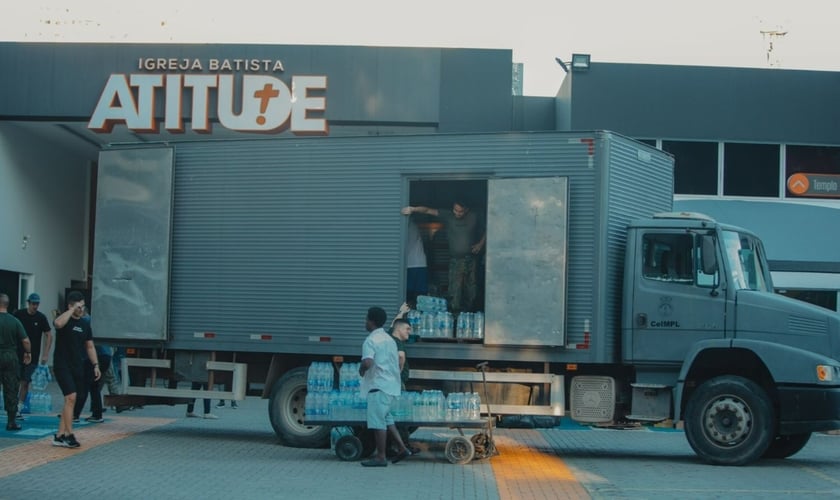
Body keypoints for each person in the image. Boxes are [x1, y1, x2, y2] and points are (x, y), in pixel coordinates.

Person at [401, 201, 486, 313]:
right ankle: (454, 315)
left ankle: (469, 313)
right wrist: (413, 209)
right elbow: (428, 210)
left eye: (460, 211)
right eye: (455, 210)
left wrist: (480, 244)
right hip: (456, 260)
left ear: (466, 210)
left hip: (471, 259)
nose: (457, 213)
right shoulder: (448, 215)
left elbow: (490, 225)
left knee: (472, 290)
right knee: (454, 290)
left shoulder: (474, 216)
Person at [358, 306, 412, 467]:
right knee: (387, 419)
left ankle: (381, 457)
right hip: (390, 385)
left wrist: (361, 370)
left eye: (366, 319)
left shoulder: (371, 340)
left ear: (371, 322)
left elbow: (367, 362)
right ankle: (402, 449)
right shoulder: (389, 339)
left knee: (377, 422)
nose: (365, 322)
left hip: (378, 385)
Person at [53, 291, 100, 448]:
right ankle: (69, 434)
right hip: (62, 365)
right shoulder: (64, 320)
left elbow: (90, 346)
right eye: (78, 306)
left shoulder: (85, 324)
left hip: (77, 365)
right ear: (71, 306)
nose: (81, 309)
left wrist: (96, 365)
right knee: (71, 397)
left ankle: (59, 436)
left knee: (71, 400)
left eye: (82, 306)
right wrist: (71, 311)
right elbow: (57, 324)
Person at [12, 292, 52, 420]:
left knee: (25, 382)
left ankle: (19, 407)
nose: (35, 306)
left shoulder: (41, 318)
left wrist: (45, 353)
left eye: (37, 304)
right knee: (14, 381)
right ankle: (11, 406)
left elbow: (49, 334)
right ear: (28, 303)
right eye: (33, 304)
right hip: (18, 353)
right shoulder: (19, 314)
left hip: (33, 355)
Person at [0, 293, 31, 431]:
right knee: (11, 388)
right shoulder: (14, 321)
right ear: (7, 304)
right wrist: (28, 353)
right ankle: (11, 421)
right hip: (10, 356)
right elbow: (25, 340)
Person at [405, 221, 428, 304]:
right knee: (419, 290)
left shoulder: (410, 226)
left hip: (413, 263)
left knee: (413, 290)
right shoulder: (411, 225)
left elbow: (408, 245)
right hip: (417, 262)